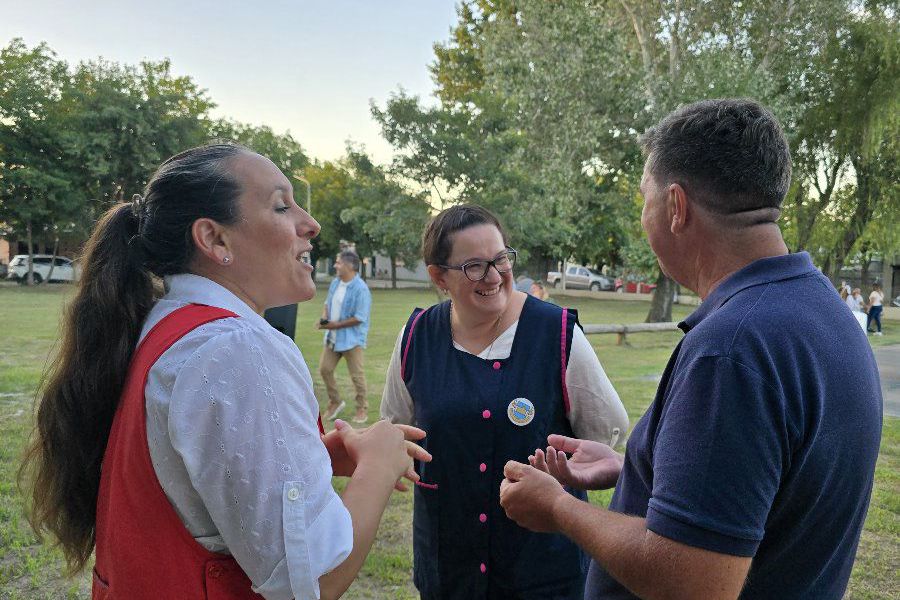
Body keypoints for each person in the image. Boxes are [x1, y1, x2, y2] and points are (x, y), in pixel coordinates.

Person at [499, 99, 882, 599]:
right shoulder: (820, 309)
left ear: (676, 207)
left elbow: (692, 582)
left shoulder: (733, 349)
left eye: (645, 199)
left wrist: (559, 507)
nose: (643, 217)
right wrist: (639, 468)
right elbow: (765, 488)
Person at [20, 143, 430, 600]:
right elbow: (312, 580)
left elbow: (191, 472)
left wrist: (313, 457)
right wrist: (378, 461)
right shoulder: (236, 349)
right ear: (214, 239)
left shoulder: (168, 325)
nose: (310, 225)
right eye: (281, 205)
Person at [381, 205, 629, 599]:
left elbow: (606, 430)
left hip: (541, 569)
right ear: (438, 276)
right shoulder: (417, 336)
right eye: (475, 266)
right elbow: (396, 429)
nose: (495, 276)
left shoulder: (556, 332)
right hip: (449, 565)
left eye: (501, 259)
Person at [317, 250, 373, 423]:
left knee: (357, 376)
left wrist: (335, 325)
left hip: (352, 339)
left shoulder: (361, 289)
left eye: (338, 262)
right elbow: (327, 303)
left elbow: (359, 317)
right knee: (325, 369)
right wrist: (325, 319)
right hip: (332, 337)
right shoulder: (335, 282)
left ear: (349, 266)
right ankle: (335, 402)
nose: (335, 265)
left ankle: (361, 408)